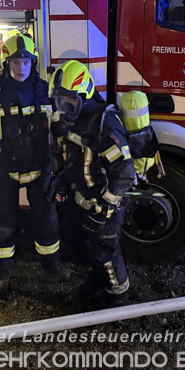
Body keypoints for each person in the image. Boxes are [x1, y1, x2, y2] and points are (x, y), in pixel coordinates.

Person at [0, 33, 71, 296]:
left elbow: (60, 132)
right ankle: (2, 273)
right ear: (6, 64)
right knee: (3, 225)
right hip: (4, 171)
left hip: (40, 170)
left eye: (26, 62)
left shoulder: (46, 92)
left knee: (47, 221)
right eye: (15, 62)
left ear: (33, 62)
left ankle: (52, 266)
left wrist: (63, 167)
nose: (21, 68)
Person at [49, 61, 137, 307]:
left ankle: (119, 295)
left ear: (85, 95)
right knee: (88, 244)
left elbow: (125, 173)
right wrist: (63, 183)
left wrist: (105, 208)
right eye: (60, 101)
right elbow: (74, 159)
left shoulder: (104, 123)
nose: (64, 108)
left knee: (106, 245)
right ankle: (99, 280)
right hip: (85, 198)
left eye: (70, 101)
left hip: (107, 202)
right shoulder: (77, 120)